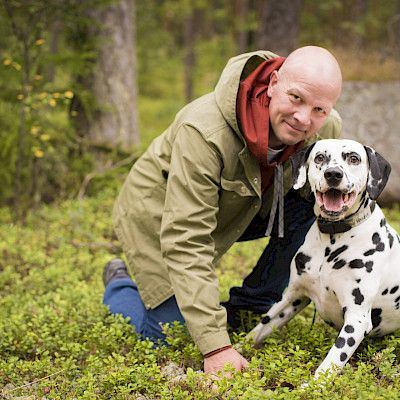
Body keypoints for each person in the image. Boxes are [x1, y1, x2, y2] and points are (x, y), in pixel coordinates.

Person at [102, 46, 343, 376]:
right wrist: (215, 347)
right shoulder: (203, 132)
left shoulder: (326, 131)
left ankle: (252, 306)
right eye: (296, 98)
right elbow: (187, 239)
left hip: (243, 205)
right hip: (160, 216)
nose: (304, 118)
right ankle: (120, 283)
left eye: (319, 109)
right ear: (273, 83)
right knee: (171, 337)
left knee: (319, 203)